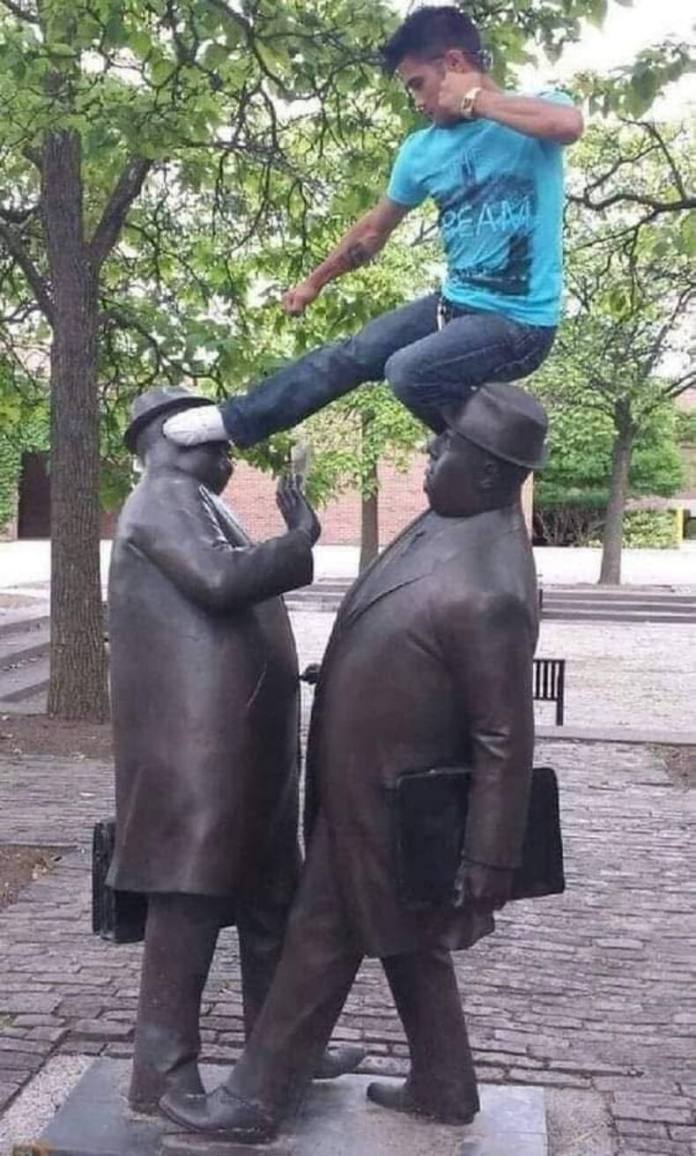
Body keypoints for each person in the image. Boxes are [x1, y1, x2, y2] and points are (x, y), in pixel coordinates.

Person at [159, 382, 548, 1143]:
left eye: (447, 447)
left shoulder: (492, 583)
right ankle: (445, 1082)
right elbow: (405, 638)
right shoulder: (449, 521)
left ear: (495, 476)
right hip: (364, 788)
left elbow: (505, 734)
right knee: (408, 935)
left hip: (394, 803)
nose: (429, 451)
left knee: (321, 937)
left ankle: (256, 1098)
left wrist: (491, 861)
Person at [162, 6, 582, 454]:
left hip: (521, 326)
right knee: (355, 353)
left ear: (455, 65)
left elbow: (568, 126)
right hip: (455, 307)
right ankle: (236, 419)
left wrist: (476, 100)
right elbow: (372, 231)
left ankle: (477, 454)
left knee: (408, 371)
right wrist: (314, 282)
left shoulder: (536, 113)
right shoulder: (421, 151)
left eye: (418, 84)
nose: (417, 102)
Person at [107, 385, 362, 1115]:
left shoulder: (201, 502)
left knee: (270, 898)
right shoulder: (159, 501)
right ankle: (162, 1072)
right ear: (173, 436)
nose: (229, 454)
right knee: (188, 899)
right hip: (196, 756)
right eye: (219, 441)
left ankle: (280, 1049)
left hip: (242, 745)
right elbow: (219, 581)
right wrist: (299, 540)